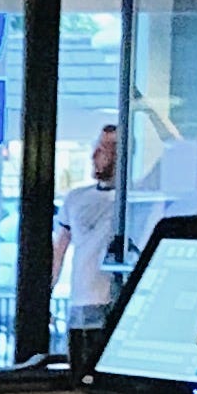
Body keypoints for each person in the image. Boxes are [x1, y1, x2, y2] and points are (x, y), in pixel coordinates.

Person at [54, 123, 125, 342]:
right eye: (97, 147)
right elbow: (59, 249)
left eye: (107, 149)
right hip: (82, 299)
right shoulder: (75, 198)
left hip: (113, 298)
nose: (95, 155)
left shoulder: (133, 200)